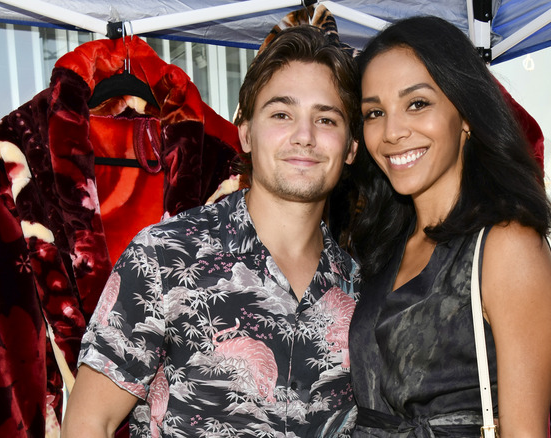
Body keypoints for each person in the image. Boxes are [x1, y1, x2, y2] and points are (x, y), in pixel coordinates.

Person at [62, 25, 361, 437]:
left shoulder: (363, 290)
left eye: (326, 119)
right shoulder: (164, 257)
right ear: (245, 132)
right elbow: (89, 422)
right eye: (281, 114)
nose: (304, 136)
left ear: (350, 148)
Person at [347, 16, 551, 437]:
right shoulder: (385, 246)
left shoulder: (505, 246)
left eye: (417, 103)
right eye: (374, 112)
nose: (392, 132)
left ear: (465, 115)